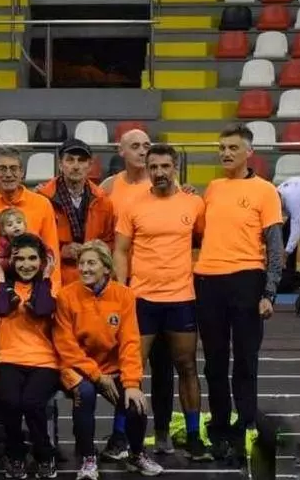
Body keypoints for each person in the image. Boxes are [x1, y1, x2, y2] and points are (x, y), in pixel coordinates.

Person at [113, 144, 211, 460]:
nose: (159, 172)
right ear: (148, 169)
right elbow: (120, 250)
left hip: (181, 299)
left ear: (175, 167)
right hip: (142, 299)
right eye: (153, 167)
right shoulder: (132, 204)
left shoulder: (194, 203)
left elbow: (205, 240)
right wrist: (121, 291)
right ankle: (119, 435)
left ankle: (194, 436)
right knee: (130, 369)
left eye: (165, 166)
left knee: (187, 366)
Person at [194, 123, 283, 465]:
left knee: (246, 359)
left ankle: (244, 424)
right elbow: (202, 232)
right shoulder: (213, 188)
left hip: (247, 280)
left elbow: (274, 247)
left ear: (249, 152)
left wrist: (270, 292)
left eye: (233, 147)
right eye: (222, 148)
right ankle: (219, 427)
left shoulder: (265, 191)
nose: (226, 153)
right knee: (214, 362)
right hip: (208, 281)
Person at [54, 240, 163, 479]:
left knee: (135, 402)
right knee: (85, 393)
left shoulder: (124, 295)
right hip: (77, 367)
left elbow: (130, 342)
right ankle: (88, 458)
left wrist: (132, 383)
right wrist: (96, 375)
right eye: (82, 263)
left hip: (111, 368)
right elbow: (66, 346)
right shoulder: (66, 296)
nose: (84, 269)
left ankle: (136, 454)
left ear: (106, 267)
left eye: (91, 263)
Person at [100, 128, 176, 456]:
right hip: (123, 287)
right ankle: (121, 434)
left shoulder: (165, 184)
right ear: (121, 151)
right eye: (135, 146)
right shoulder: (108, 187)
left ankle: (162, 431)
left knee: (163, 365)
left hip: (163, 289)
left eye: (147, 145)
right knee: (127, 364)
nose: (142, 151)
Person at [0, 233, 61, 479]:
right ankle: (15, 454)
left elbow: (43, 308)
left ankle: (44, 454)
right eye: (19, 259)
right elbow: (0, 308)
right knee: (9, 402)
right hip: (9, 358)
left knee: (32, 403)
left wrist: (46, 276)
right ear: (10, 261)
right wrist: (0, 274)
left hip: (44, 361)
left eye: (32, 258)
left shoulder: (51, 286)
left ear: (42, 261)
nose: (26, 264)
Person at [0, 147, 61, 292]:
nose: (8, 174)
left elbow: (52, 253)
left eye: (13, 168)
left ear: (22, 172)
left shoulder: (42, 204)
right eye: (2, 169)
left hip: (33, 291)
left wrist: (52, 291)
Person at [37, 139, 115, 286]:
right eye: (70, 160)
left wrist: (93, 251)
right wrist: (60, 250)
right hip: (54, 277)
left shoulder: (103, 200)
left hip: (93, 278)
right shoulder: (42, 199)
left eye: (81, 160)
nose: (76, 166)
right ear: (60, 164)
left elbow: (110, 241)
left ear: (90, 165)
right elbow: (34, 241)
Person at [0, 207, 54, 311]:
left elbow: (47, 251)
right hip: (10, 275)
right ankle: (11, 296)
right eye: (10, 225)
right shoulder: (3, 243)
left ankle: (33, 300)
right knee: (8, 282)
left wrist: (46, 265)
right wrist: (10, 261)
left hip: (36, 275)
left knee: (39, 282)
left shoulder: (33, 239)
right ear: (3, 231)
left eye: (19, 222)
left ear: (25, 225)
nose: (15, 226)